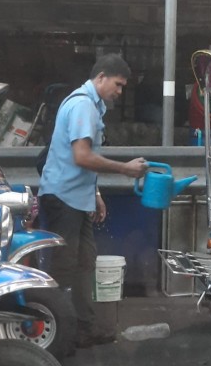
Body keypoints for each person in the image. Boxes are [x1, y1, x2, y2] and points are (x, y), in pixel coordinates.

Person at [38, 53, 148, 348]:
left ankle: (83, 328)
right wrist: (125, 169)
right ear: (100, 78)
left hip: (77, 197)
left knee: (85, 262)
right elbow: (82, 156)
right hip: (63, 197)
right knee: (65, 266)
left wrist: (95, 195)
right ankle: (54, 332)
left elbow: (82, 161)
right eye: (118, 84)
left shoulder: (92, 107)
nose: (120, 92)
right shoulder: (83, 105)